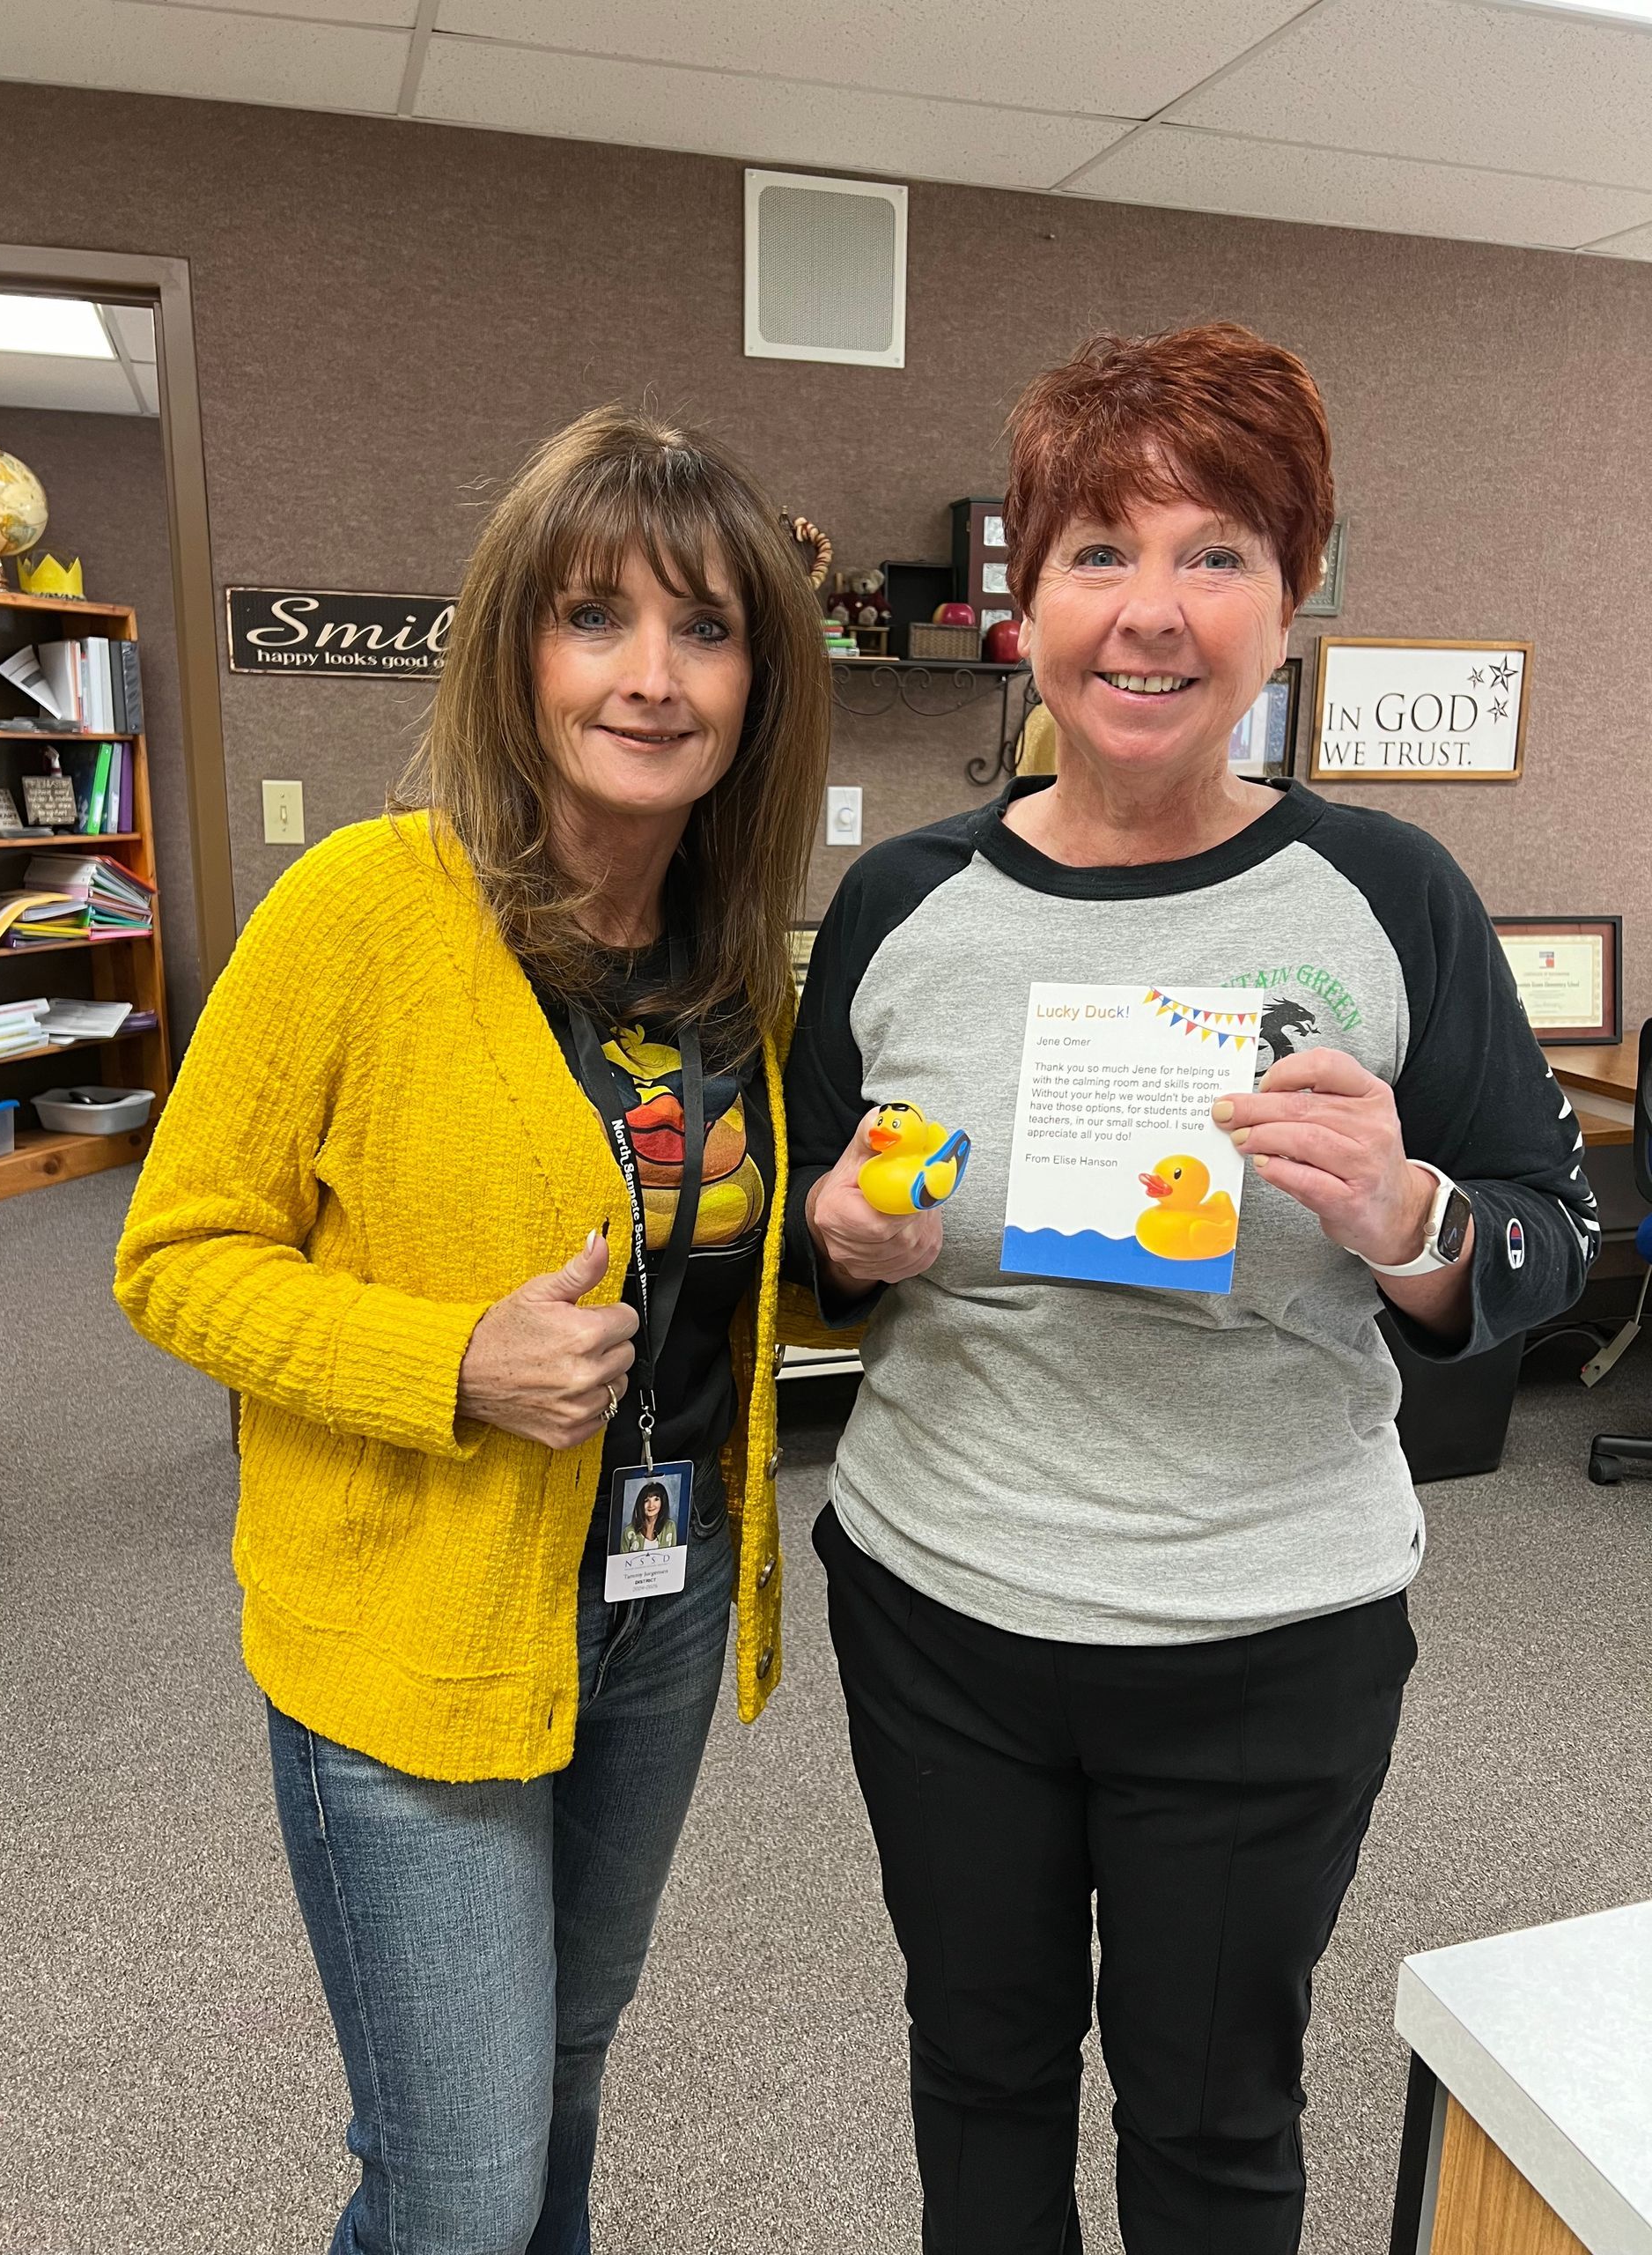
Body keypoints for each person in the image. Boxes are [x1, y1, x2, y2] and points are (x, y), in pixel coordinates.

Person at [784, 323, 1598, 2255]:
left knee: (1216, 2109)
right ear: (1027, 604)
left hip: (1267, 1625)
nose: (1151, 613)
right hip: (944, 1601)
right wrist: (839, 1244)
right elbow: (818, 1258)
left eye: (1217, 552)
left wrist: (1407, 1212)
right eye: (1098, 553)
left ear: (1291, 601)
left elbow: (1553, 1236)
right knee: (978, 2068)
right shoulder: (905, 902)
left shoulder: (1390, 893)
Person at [115, 403, 831, 2255]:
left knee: (571, 2067)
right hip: (409, 1633)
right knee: (459, 2180)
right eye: (599, 617)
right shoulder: (364, 907)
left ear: (762, 674)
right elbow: (174, 1253)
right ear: (518, 645)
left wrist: (850, 1235)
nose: (654, 677)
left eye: (706, 627)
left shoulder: (735, 955)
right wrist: (444, 1361)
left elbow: (717, 1266)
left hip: (653, 1614)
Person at [621, 1479, 677, 1551]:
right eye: (647, 1500)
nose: (651, 1505)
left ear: (662, 1502)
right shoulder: (628, 1532)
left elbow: (674, 1557)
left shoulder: (670, 1527)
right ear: (640, 1504)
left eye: (656, 1499)